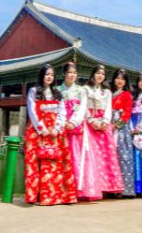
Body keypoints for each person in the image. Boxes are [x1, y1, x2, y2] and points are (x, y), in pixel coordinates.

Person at [24, 64, 77, 205]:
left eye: (52, 75)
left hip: (55, 131)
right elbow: (32, 111)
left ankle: (57, 196)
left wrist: (57, 127)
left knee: (56, 163)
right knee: (35, 162)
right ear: (42, 75)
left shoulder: (57, 93)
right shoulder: (34, 91)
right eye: (47, 74)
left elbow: (62, 112)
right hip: (37, 130)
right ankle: (36, 196)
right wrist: (42, 128)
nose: (49, 77)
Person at [80, 64, 124, 200]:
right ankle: (93, 188)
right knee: (92, 155)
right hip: (90, 124)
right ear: (93, 74)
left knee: (106, 155)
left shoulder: (107, 92)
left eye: (103, 74)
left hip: (103, 126)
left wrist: (105, 121)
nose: (100, 76)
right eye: (98, 73)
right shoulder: (85, 89)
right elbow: (83, 107)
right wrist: (91, 120)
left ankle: (108, 187)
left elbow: (108, 108)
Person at [57, 61, 89, 194]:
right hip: (61, 125)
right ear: (64, 74)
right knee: (61, 157)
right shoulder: (58, 90)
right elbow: (56, 108)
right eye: (69, 72)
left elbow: (82, 108)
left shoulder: (81, 90)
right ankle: (60, 188)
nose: (72, 75)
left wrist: (73, 122)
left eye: (74, 73)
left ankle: (75, 189)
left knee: (75, 157)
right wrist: (62, 122)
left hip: (75, 127)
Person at [110, 68, 135, 197]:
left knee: (123, 156)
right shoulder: (109, 93)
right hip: (108, 125)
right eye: (118, 78)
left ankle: (124, 188)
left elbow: (127, 113)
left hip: (121, 128)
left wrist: (116, 125)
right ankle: (111, 187)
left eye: (122, 79)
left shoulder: (127, 95)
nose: (120, 81)